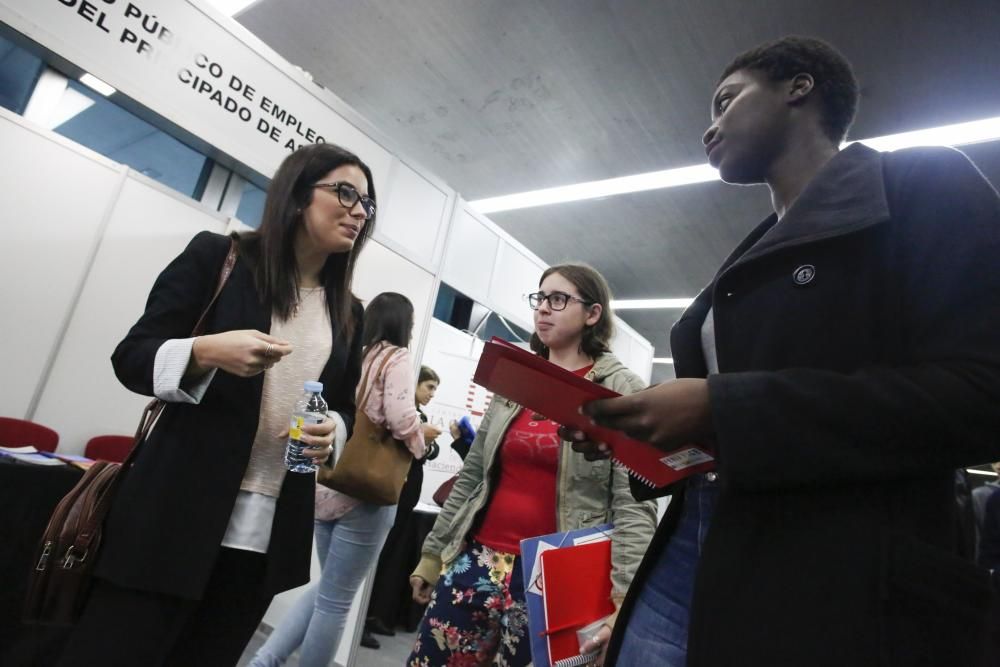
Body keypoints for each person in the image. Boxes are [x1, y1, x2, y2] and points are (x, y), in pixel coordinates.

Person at [563, 36, 1000, 667]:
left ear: (799, 87)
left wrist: (725, 408)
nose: (709, 128)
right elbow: (733, 434)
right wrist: (648, 437)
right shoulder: (745, 259)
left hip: (840, 583)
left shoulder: (921, 186)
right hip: (701, 543)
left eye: (726, 100)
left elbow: (985, 393)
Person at [59, 142, 378, 667]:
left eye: (367, 203)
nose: (359, 211)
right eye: (345, 192)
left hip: (267, 536)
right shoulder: (219, 258)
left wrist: (333, 432)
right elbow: (131, 357)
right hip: (170, 516)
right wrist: (205, 351)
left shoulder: (349, 311)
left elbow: (343, 406)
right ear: (298, 195)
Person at [407, 264, 658, 667]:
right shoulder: (518, 377)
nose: (543, 308)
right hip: (479, 559)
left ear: (592, 314)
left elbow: (635, 502)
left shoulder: (618, 390)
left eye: (558, 299)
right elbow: (473, 473)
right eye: (540, 298)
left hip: (553, 576)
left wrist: (623, 596)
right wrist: (434, 552)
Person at [250, 291, 426, 666]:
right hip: (366, 493)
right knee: (336, 601)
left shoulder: (354, 353)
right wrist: (422, 438)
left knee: (328, 589)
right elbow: (399, 417)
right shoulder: (397, 358)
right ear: (404, 325)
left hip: (327, 482)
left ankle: (264, 660)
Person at [362, 365, 444, 649]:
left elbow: (424, 453)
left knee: (387, 555)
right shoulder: (406, 418)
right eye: (429, 387)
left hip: (404, 499)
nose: (432, 394)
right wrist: (422, 436)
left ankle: (371, 616)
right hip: (392, 493)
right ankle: (360, 622)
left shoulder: (417, 417)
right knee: (377, 554)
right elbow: (413, 449)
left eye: (435, 389)